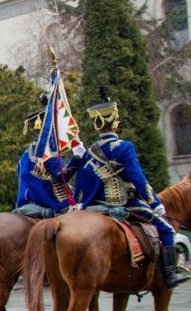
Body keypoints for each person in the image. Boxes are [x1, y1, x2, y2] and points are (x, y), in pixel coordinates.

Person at [73, 89, 189, 288]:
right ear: (115, 122)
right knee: (168, 230)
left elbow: (82, 182)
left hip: (92, 206)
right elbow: (137, 178)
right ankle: (169, 275)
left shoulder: (89, 151)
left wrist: (80, 203)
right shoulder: (124, 147)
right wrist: (155, 203)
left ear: (96, 125)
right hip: (127, 205)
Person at [14, 99, 84, 219]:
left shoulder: (26, 153)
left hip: (26, 206)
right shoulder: (50, 152)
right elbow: (61, 177)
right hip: (53, 206)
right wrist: (77, 156)